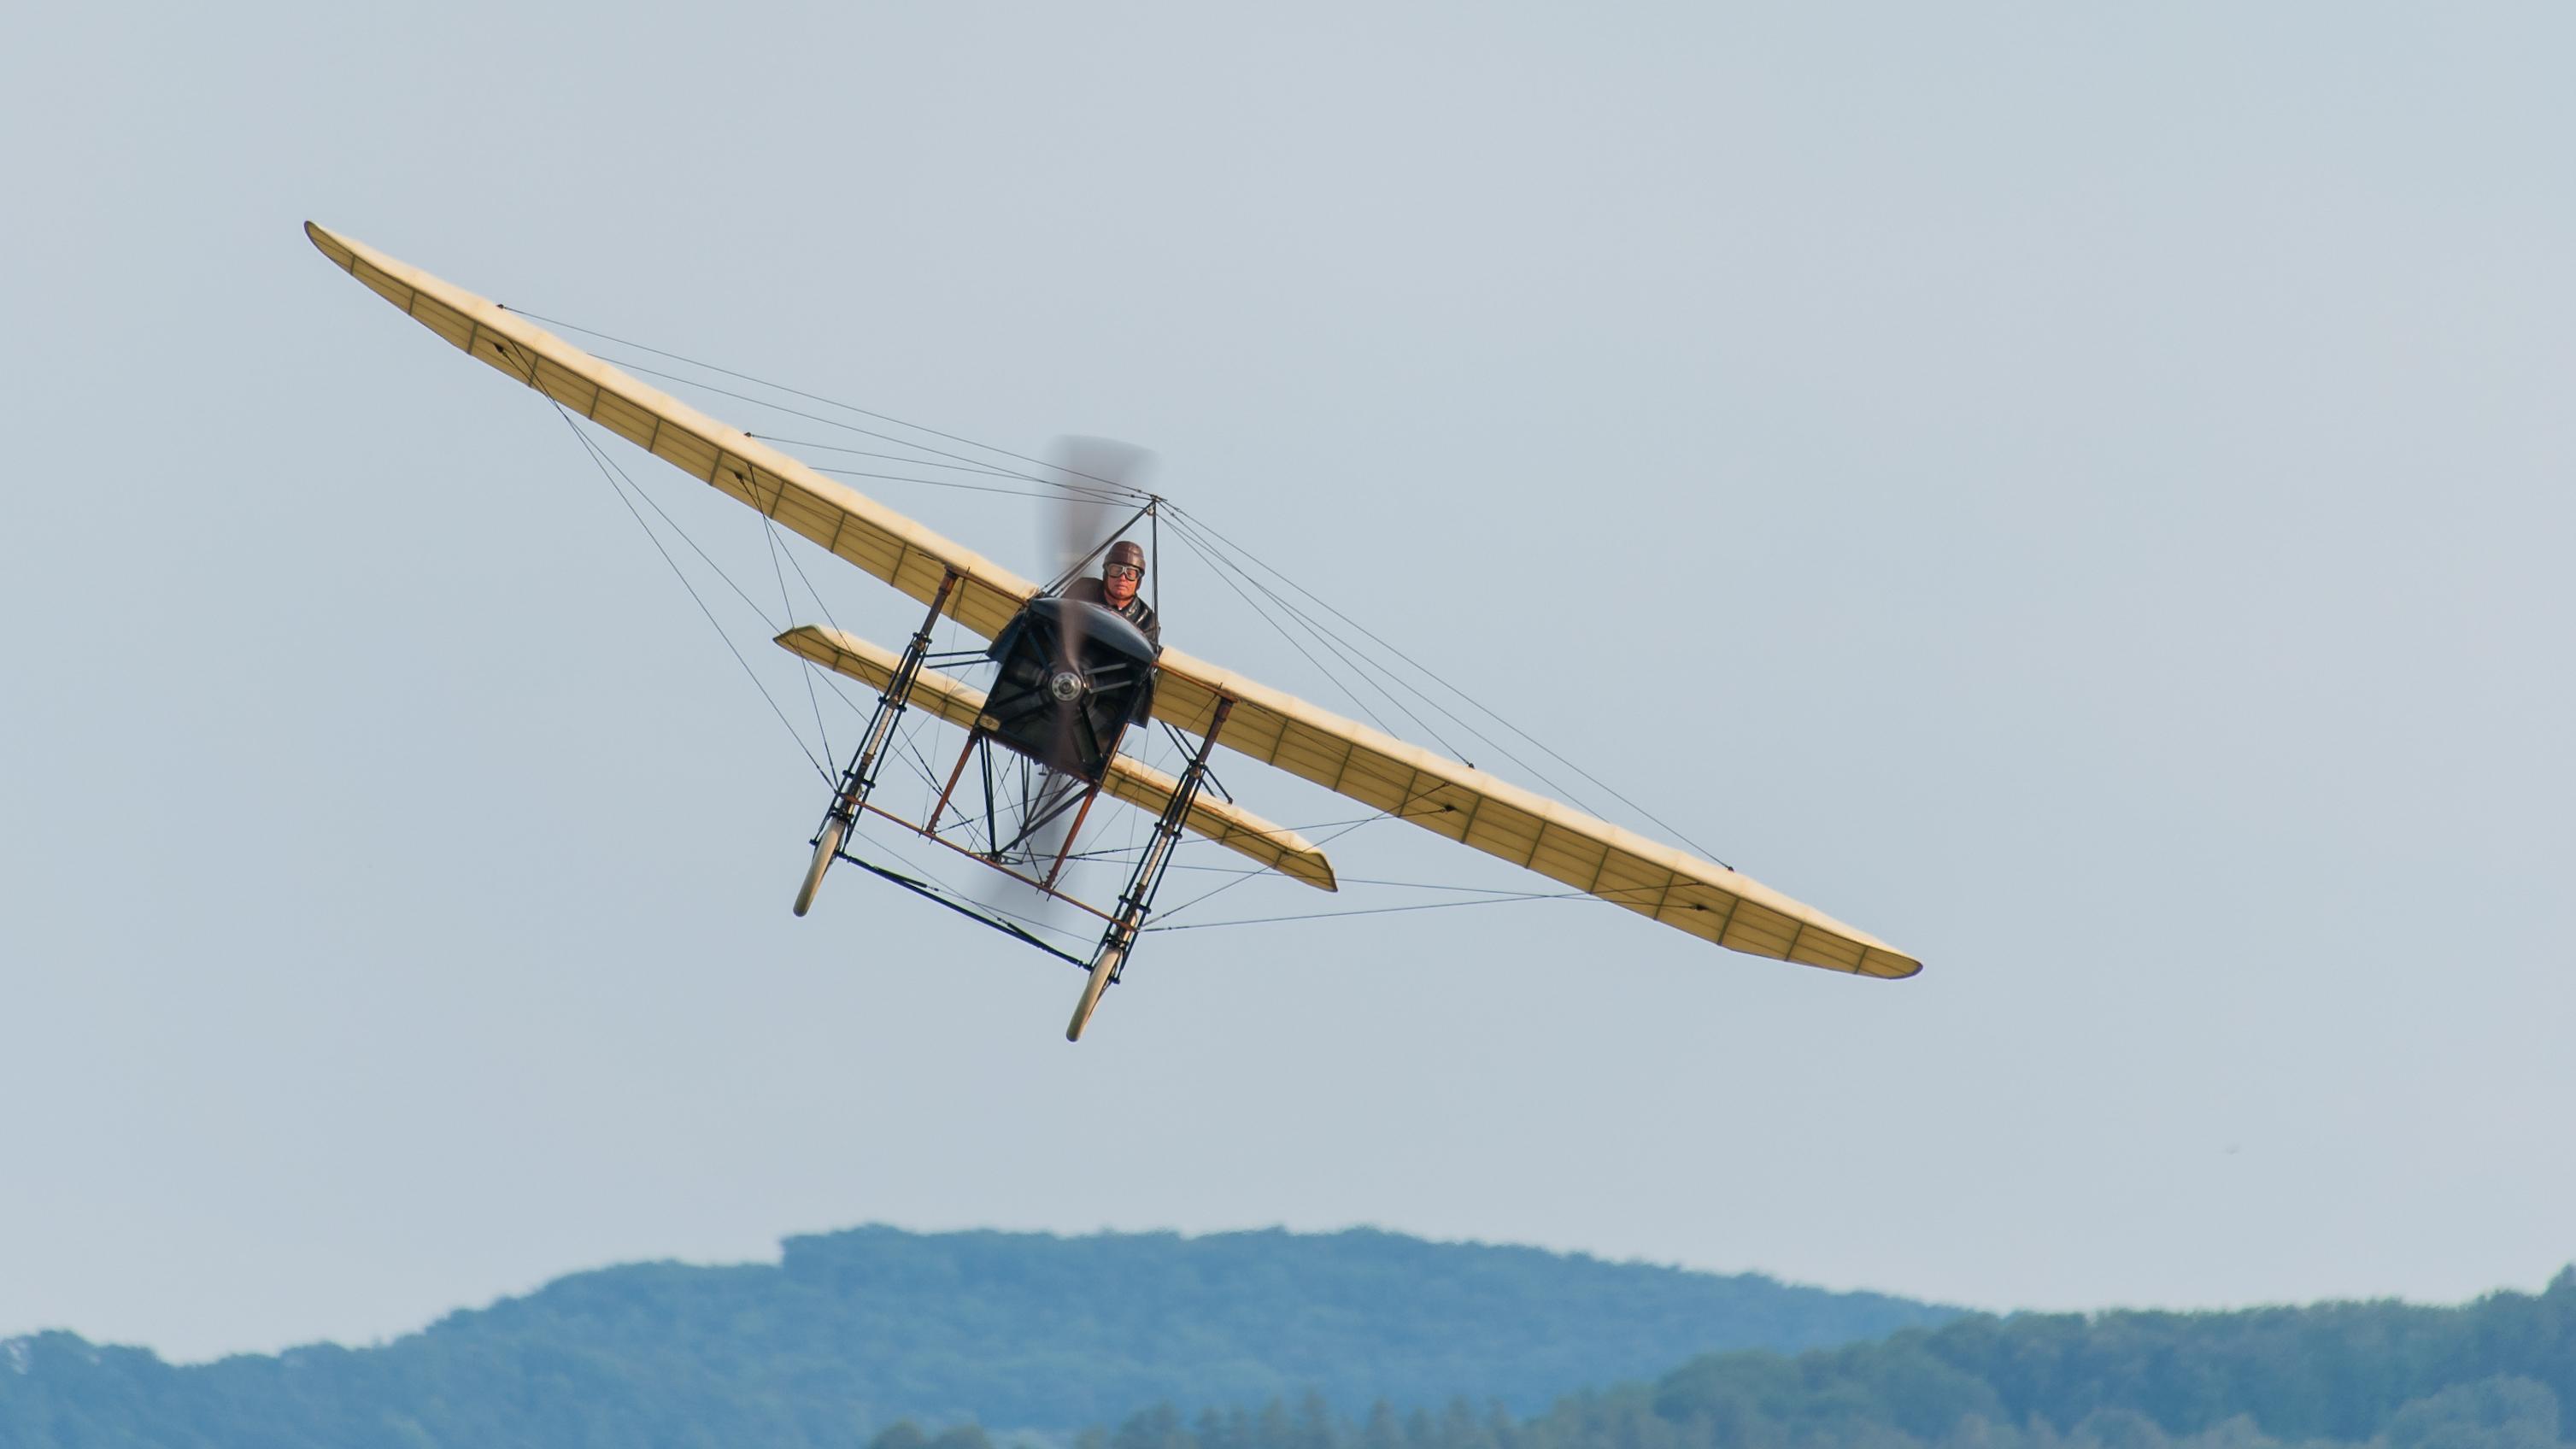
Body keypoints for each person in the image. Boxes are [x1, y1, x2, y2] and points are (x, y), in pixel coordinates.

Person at [1062, 539, 1160, 645]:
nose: (1122, 578)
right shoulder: (1082, 590)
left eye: (1130, 574)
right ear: (1106, 574)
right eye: (1116, 571)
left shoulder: (1147, 622)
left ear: (1138, 581)